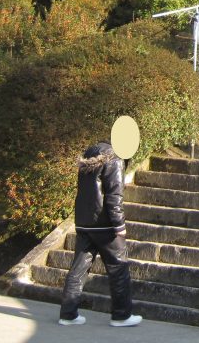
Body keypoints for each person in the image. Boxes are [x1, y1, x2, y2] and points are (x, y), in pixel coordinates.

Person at [58, 140, 141, 328]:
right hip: (105, 224)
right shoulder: (115, 158)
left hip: (84, 222)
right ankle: (121, 315)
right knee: (118, 268)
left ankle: (68, 314)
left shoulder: (90, 155)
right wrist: (119, 224)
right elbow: (114, 194)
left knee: (78, 268)